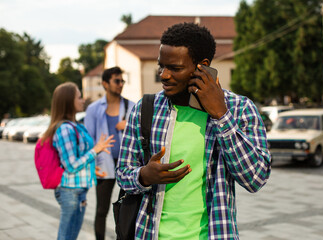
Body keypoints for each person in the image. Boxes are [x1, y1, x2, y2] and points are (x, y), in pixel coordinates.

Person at [116, 22, 271, 239]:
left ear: (202, 66)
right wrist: (143, 176)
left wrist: (221, 116)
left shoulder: (239, 109)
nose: (164, 75)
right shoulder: (145, 109)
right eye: (162, 66)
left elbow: (255, 178)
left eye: (175, 68)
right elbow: (123, 173)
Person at [41, 82, 114, 240]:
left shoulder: (74, 126)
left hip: (78, 190)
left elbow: (78, 157)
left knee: (71, 236)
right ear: (68, 102)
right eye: (79, 97)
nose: (83, 100)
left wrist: (91, 168)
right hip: (70, 191)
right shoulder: (65, 129)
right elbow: (71, 165)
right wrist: (96, 149)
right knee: (66, 236)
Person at [84, 66, 135, 240]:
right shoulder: (93, 109)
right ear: (105, 84)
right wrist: (92, 166)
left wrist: (127, 124)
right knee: (101, 210)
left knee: (127, 209)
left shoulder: (132, 106)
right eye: (117, 81)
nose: (121, 84)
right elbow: (88, 141)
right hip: (103, 165)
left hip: (127, 165)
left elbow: (140, 134)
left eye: (122, 81)